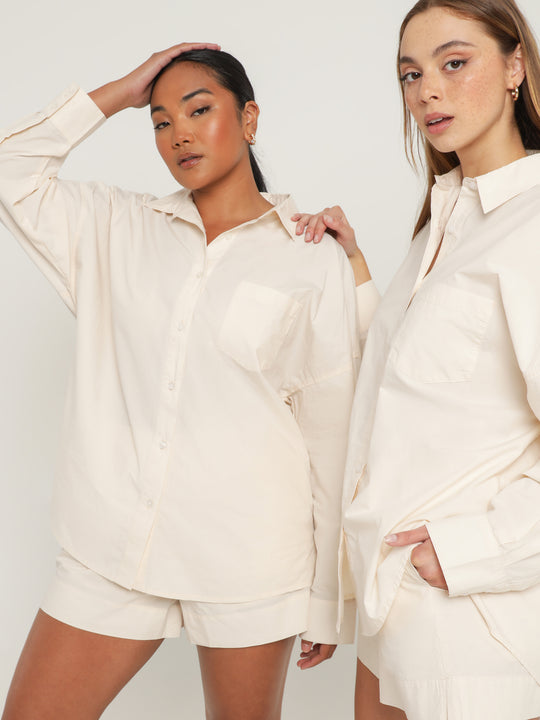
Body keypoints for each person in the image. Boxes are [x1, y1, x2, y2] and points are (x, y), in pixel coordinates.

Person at [0, 44, 374, 720]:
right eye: (161, 121)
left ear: (249, 118)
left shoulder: (310, 258)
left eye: (199, 110)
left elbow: (331, 433)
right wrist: (120, 92)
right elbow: (10, 169)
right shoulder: (115, 228)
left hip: (248, 561)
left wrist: (327, 598)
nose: (179, 134)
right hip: (110, 551)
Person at [295, 0, 540, 717]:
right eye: (410, 74)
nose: (428, 90)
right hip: (393, 607)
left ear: (516, 67)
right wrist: (356, 269)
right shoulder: (443, 221)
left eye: (454, 63)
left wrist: (473, 548)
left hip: (476, 623)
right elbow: (408, 387)